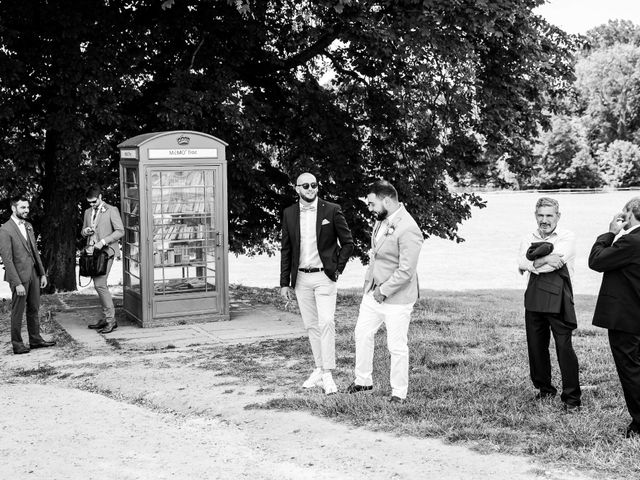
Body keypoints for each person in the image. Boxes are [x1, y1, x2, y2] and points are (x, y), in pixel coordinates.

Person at [346, 180, 423, 403]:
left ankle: (399, 392)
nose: (369, 208)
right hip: (373, 292)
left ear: (386, 200)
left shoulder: (409, 228)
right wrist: (371, 287)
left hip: (397, 297)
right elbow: (378, 255)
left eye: (372, 204)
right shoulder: (382, 221)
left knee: (396, 346)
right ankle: (363, 381)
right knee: (362, 333)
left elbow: (407, 270)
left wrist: (384, 291)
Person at [280, 172, 354, 395]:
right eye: (306, 185)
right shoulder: (289, 213)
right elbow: (286, 249)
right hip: (301, 279)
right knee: (311, 326)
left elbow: (348, 243)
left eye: (314, 185)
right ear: (297, 189)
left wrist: (337, 269)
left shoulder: (331, 210)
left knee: (327, 322)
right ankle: (319, 369)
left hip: (324, 277)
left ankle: (328, 373)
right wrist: (285, 283)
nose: (311, 188)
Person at [517, 197, 581, 412]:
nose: (544, 220)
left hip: (559, 298)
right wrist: (544, 259)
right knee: (536, 347)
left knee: (564, 348)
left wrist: (534, 264)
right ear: (536, 215)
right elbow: (521, 262)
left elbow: (557, 264)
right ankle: (544, 389)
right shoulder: (528, 236)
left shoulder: (567, 236)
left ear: (558, 216)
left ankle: (572, 398)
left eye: (549, 215)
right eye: (541, 215)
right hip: (534, 297)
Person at [589, 197, 640, 438]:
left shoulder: (631, 241)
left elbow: (596, 261)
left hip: (627, 318)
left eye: (625, 211)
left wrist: (610, 233)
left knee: (630, 369)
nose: (622, 215)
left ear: (631, 214)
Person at [0, 195, 55, 354]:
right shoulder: (5, 230)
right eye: (23, 207)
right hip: (18, 276)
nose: (26, 210)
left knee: (34, 308)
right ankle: (17, 344)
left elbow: (34, 251)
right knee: (18, 311)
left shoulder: (28, 225)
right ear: (13, 208)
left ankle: (35, 340)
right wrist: (17, 283)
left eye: (27, 207)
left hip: (34, 274)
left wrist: (42, 273)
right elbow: (7, 259)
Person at [81, 185, 124, 334]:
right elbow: (83, 231)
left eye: (94, 202)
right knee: (99, 284)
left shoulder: (112, 210)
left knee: (100, 284)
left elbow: (120, 231)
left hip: (107, 252)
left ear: (100, 197)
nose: (92, 205)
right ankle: (107, 318)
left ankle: (111, 320)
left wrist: (103, 242)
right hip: (92, 253)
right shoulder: (87, 212)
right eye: (90, 203)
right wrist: (85, 231)